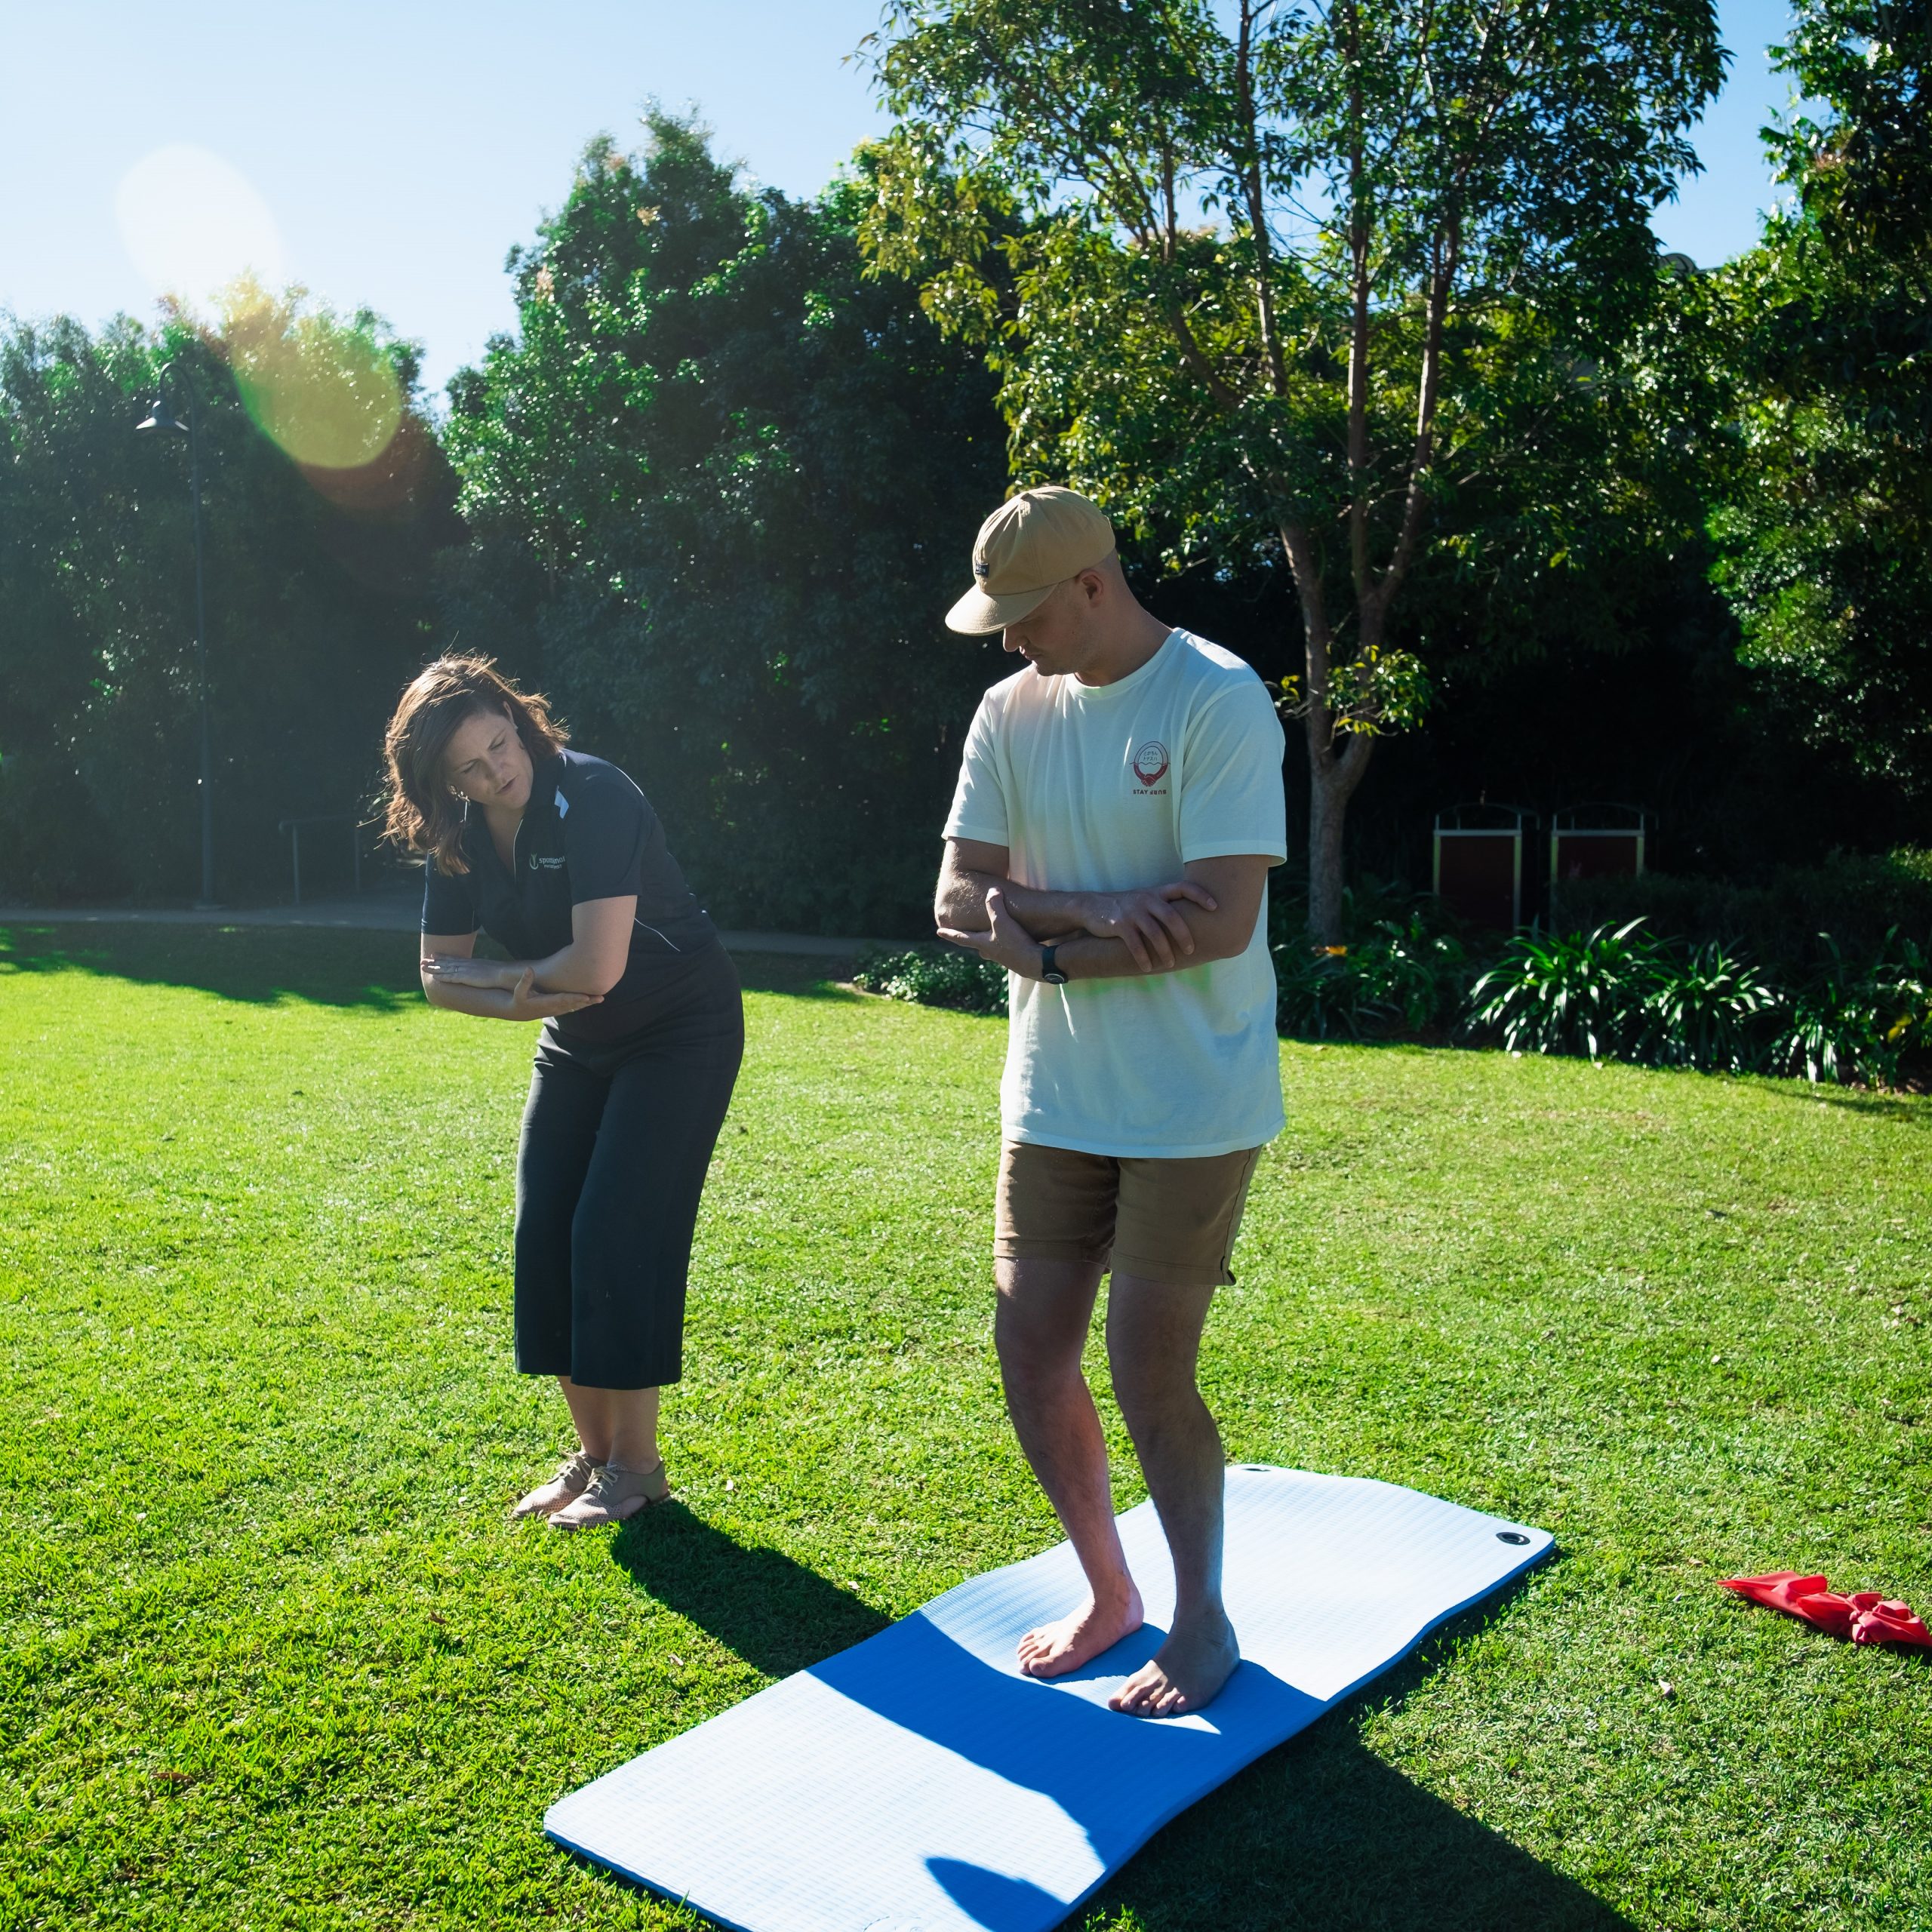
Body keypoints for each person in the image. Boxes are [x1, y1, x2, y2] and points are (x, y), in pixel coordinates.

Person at [934, 487, 1287, 1718]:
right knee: (1029, 1350)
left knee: (1147, 1367)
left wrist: (1032, 924)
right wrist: (1082, 920)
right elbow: (955, 901)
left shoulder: (1215, 698)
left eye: (1025, 616)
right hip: (1055, 1091)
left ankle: (1204, 1623)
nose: (1011, 640)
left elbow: (1216, 916)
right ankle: (1109, 1596)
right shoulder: (1007, 711)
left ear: (1092, 585)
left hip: (1193, 1096)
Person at [379, 656, 743, 1529]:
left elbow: (598, 968)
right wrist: (531, 986)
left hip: (678, 1034)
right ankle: (593, 1457)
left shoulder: (597, 795)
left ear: (516, 716)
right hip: (575, 1040)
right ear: (440, 783)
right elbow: (434, 976)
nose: (496, 771)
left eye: (499, 744)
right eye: (468, 766)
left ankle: (639, 1469)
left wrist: (499, 979)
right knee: (546, 1231)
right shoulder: (459, 835)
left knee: (614, 1229)